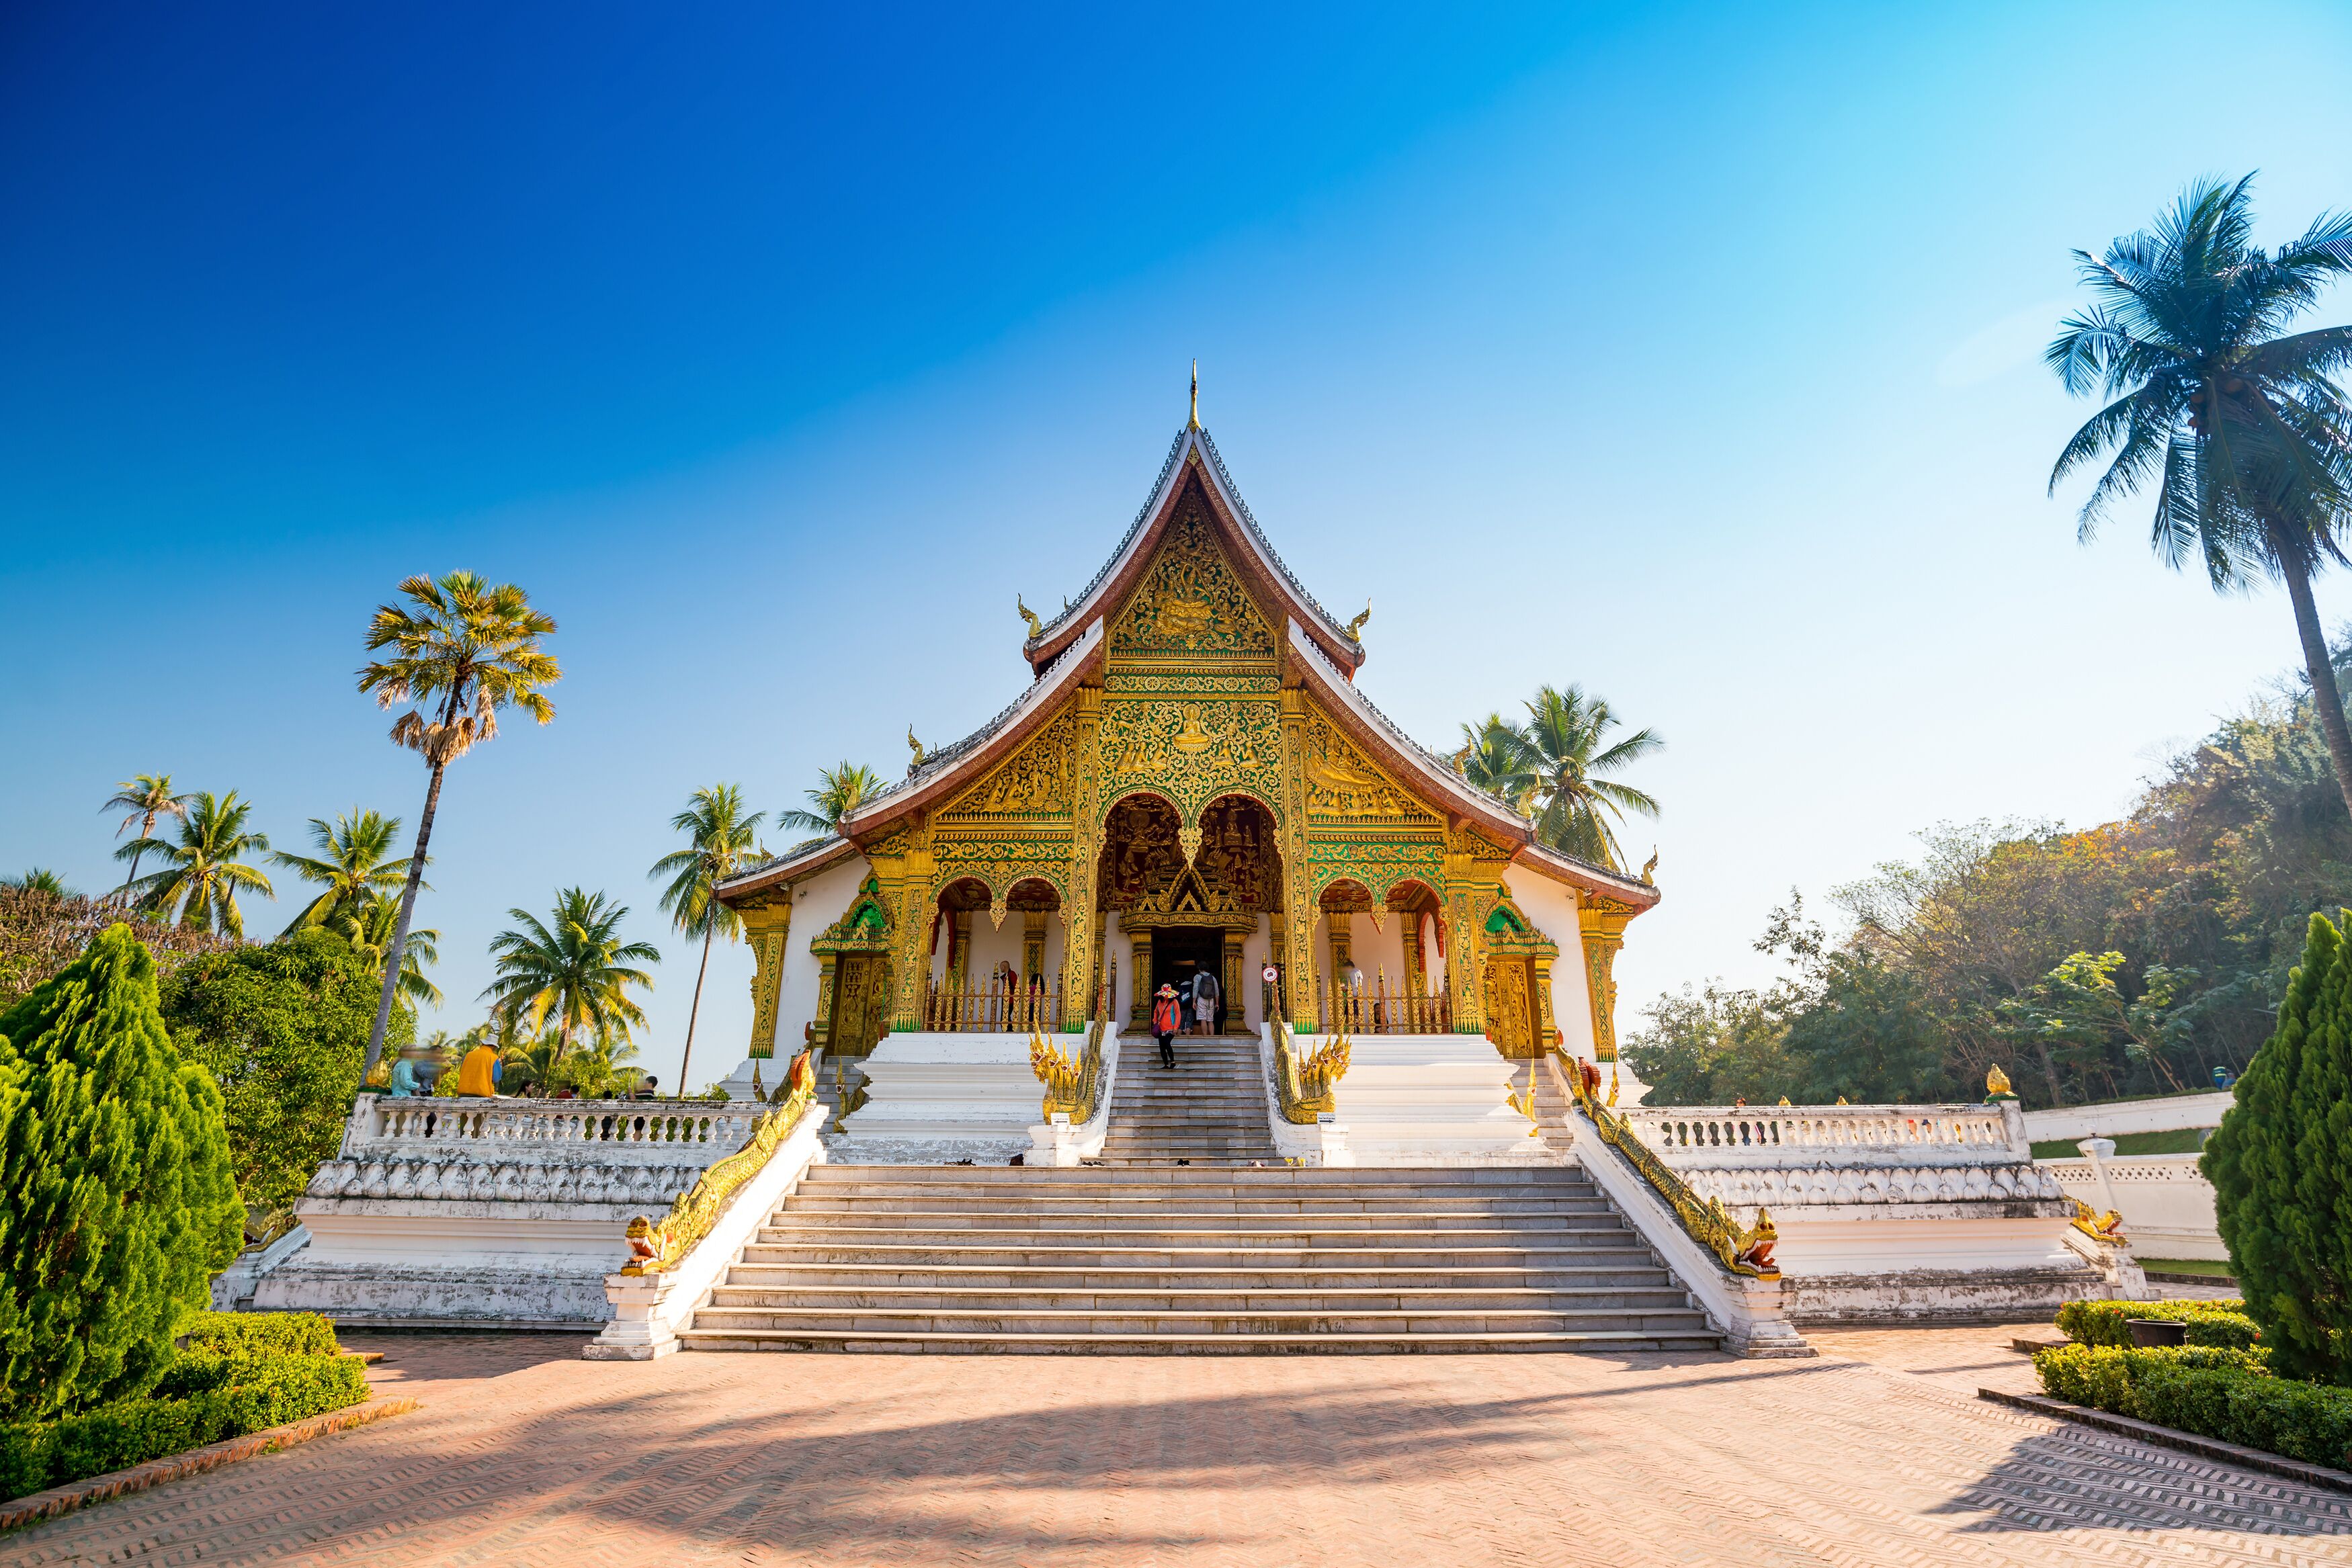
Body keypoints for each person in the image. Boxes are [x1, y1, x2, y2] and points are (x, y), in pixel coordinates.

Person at [1152, 984, 1182, 1069]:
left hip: (1171, 1028)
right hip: (1161, 1028)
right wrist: (1155, 1021)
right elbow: (1155, 1011)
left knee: (1167, 1044)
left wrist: (1176, 1027)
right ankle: (1166, 1064)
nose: (1165, 996)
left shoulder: (1174, 1002)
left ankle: (1173, 1061)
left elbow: (1178, 1014)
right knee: (1162, 1047)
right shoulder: (1159, 1002)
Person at [1192, 963, 1220, 1037]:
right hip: (1211, 1000)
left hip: (1201, 999)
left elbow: (1195, 989)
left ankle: (1205, 1036)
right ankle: (1212, 1036)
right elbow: (1217, 991)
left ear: (1199, 969)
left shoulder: (1197, 977)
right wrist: (1217, 1003)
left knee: (1203, 1019)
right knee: (1211, 1020)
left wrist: (1194, 1001)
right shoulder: (1213, 977)